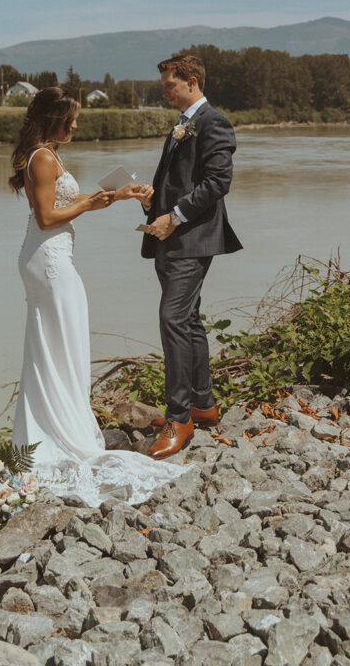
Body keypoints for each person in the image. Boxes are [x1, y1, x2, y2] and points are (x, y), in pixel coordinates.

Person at [10, 86, 186, 505]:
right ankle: (60, 434)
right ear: (53, 118)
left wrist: (116, 196)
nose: (75, 124)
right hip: (50, 262)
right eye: (70, 118)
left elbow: (65, 205)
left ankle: (51, 428)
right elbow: (47, 215)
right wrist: (90, 206)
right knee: (62, 344)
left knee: (56, 345)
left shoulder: (47, 155)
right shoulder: (42, 158)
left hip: (49, 257)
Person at [140, 54, 242, 459]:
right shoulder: (183, 123)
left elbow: (219, 181)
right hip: (170, 235)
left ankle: (179, 418)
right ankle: (204, 404)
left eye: (170, 85)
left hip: (191, 237)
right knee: (188, 319)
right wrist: (152, 201)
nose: (164, 91)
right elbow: (180, 180)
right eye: (164, 84)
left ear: (192, 82)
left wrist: (175, 217)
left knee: (172, 319)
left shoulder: (212, 122)